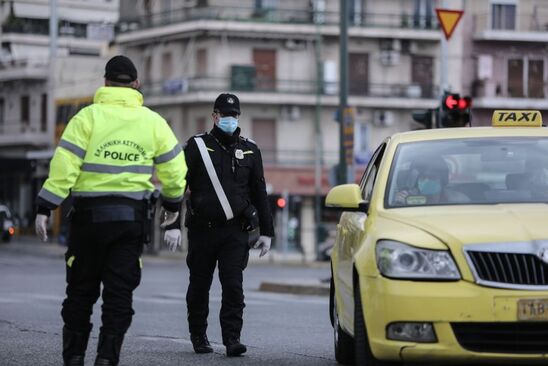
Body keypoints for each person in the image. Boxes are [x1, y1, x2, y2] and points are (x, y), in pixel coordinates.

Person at [34, 55, 187, 366]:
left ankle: (74, 358)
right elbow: (175, 170)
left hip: (89, 219)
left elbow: (64, 167)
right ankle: (106, 359)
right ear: (136, 84)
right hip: (130, 221)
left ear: (104, 83)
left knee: (80, 292)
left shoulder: (86, 118)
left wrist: (45, 206)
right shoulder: (153, 122)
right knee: (119, 296)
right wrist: (172, 206)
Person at [177, 92, 274, 357]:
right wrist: (172, 223)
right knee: (199, 285)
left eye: (234, 115)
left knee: (233, 286)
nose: (230, 120)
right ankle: (198, 334)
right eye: (225, 115)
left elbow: (259, 191)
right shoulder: (196, 147)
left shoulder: (251, 149)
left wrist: (267, 232)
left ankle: (232, 339)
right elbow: (177, 184)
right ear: (214, 116)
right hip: (202, 230)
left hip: (234, 232)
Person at [394, 156, 469, 205]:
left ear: (443, 180)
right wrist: (400, 203)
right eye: (423, 177)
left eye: (432, 177)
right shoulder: (409, 198)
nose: (427, 181)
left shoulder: (459, 200)